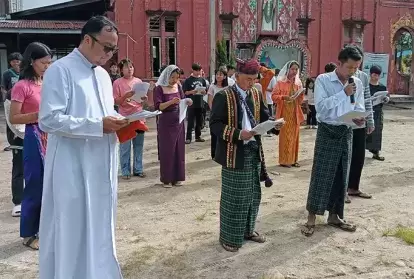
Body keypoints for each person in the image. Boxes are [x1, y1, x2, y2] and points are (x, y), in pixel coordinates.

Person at [38, 16, 127, 278]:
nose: (110, 55)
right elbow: (49, 119)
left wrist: (121, 123)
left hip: (101, 161)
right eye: (107, 48)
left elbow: (105, 113)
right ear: (87, 39)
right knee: (72, 227)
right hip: (71, 164)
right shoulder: (60, 70)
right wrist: (98, 125)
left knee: (100, 225)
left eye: (114, 49)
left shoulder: (102, 75)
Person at [210, 59, 283, 252]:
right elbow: (215, 124)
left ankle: (248, 230)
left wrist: (274, 125)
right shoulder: (224, 96)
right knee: (234, 197)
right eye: (248, 79)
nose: (251, 83)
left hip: (253, 151)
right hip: (233, 152)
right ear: (237, 76)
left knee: (252, 194)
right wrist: (237, 134)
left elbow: (264, 117)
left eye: (254, 79)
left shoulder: (256, 93)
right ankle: (229, 237)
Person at [301, 46, 366, 237]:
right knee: (321, 174)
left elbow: (359, 105)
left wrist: (359, 117)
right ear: (339, 63)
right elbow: (321, 108)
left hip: (346, 130)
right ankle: (312, 217)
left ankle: (335, 215)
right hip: (327, 131)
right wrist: (343, 93)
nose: (353, 72)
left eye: (356, 68)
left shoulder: (358, 83)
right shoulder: (323, 80)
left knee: (341, 174)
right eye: (350, 67)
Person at [9, 42, 52, 250]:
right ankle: (28, 233)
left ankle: (45, 228)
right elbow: (14, 116)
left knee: (50, 185)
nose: (46, 66)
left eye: (49, 62)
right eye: (43, 62)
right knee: (34, 184)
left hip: (51, 136)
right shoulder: (21, 86)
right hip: (34, 136)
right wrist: (38, 115)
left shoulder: (47, 84)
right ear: (32, 61)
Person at [154, 65, 193, 188]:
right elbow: (159, 106)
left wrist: (187, 101)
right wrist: (171, 102)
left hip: (179, 119)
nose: (175, 80)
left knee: (178, 149)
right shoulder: (159, 88)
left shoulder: (178, 86)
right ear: (167, 76)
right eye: (172, 77)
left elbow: (182, 100)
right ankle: (166, 179)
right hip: (166, 121)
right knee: (167, 150)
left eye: (177, 77)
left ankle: (177, 177)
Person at [346, 46, 375, 203]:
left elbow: (367, 99)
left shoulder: (363, 77)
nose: (354, 68)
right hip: (345, 122)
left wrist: (370, 120)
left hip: (360, 122)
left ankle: (354, 187)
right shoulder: (342, 76)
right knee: (345, 157)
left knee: (359, 156)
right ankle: (342, 190)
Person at [113, 58, 147, 180]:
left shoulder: (138, 81)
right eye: (127, 67)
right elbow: (116, 101)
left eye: (131, 67)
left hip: (138, 115)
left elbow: (142, 101)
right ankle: (125, 170)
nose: (130, 69)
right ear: (121, 70)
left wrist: (144, 99)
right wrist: (125, 96)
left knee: (138, 145)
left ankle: (138, 169)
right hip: (125, 117)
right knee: (125, 145)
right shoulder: (117, 83)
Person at [272, 61, 304, 168]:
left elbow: (299, 102)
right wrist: (283, 97)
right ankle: (285, 160)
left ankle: (294, 159)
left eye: (296, 69)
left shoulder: (298, 84)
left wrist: (300, 95)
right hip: (284, 113)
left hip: (295, 113)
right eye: (293, 69)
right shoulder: (280, 83)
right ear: (288, 70)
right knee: (285, 137)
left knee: (295, 137)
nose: (294, 71)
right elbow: (274, 97)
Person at [366, 65, 389, 161]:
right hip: (367, 111)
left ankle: (376, 152)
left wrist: (386, 99)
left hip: (378, 112)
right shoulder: (366, 86)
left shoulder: (382, 87)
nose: (376, 77)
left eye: (378, 75)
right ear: (371, 74)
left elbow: (387, 98)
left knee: (377, 132)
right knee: (365, 131)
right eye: (374, 74)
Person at [2, 52, 23, 151]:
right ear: (10, 63)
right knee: (10, 122)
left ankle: (21, 140)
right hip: (11, 100)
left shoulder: (24, 72)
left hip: (23, 101)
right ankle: (11, 143)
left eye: (18, 61)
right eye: (13, 62)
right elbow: (3, 88)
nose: (16, 64)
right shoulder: (7, 73)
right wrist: (6, 100)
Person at [207, 67, 229, 159]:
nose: (218, 76)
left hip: (226, 115)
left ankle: (224, 154)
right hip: (215, 114)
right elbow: (209, 101)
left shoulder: (228, 88)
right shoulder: (212, 87)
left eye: (220, 74)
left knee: (225, 134)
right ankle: (214, 154)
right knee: (214, 135)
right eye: (217, 74)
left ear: (224, 76)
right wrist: (214, 112)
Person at [183, 63, 207, 144]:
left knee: (199, 121)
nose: (198, 72)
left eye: (199, 70)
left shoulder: (203, 80)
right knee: (190, 121)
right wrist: (192, 92)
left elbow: (205, 91)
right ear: (192, 70)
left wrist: (204, 92)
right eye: (196, 70)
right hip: (191, 103)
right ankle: (188, 137)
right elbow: (185, 92)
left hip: (200, 103)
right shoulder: (188, 80)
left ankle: (198, 136)